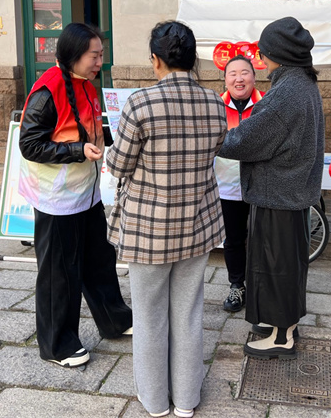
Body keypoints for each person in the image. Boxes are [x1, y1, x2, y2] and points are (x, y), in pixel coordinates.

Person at [106, 21, 227, 418]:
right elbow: (215, 149)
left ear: (155, 60)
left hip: (149, 228)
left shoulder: (140, 103)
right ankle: (186, 401)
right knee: (189, 314)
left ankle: (156, 402)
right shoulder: (214, 103)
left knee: (149, 316)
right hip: (197, 223)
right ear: (192, 59)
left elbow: (118, 164)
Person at [19, 22, 132, 368]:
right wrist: (76, 151)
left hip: (85, 192)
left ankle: (114, 319)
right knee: (59, 272)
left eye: (101, 55)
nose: (99, 62)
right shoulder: (47, 91)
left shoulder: (85, 84)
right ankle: (57, 344)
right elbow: (29, 144)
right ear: (73, 55)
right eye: (94, 56)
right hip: (56, 198)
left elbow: (90, 129)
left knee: (99, 260)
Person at [218, 16, 325, 360]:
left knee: (276, 266)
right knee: (287, 266)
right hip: (291, 193)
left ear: (277, 54)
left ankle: (281, 336)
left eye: (263, 52)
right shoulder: (303, 85)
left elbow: (245, 141)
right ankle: (283, 325)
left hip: (278, 194)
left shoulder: (285, 94)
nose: (261, 59)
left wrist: (212, 138)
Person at [215, 55, 264, 312]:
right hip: (227, 186)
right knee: (233, 240)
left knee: (263, 239)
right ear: (225, 79)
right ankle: (237, 285)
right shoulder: (215, 106)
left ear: (254, 77)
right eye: (232, 73)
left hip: (261, 187)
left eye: (244, 72)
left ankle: (261, 287)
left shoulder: (266, 104)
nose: (239, 78)